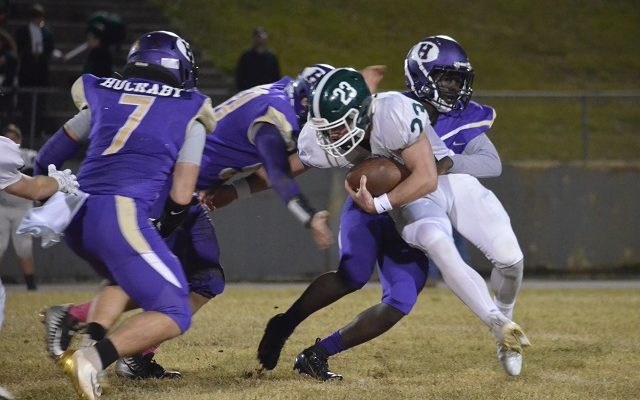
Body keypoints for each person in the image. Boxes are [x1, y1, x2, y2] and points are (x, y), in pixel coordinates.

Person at [38, 63, 338, 382]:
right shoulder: (274, 116)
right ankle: (89, 333)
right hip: (168, 189)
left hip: (179, 190)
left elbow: (275, 166)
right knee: (160, 278)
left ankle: (123, 346)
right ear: (305, 102)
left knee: (199, 279)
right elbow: (276, 173)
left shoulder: (282, 95)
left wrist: (232, 192)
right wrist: (309, 216)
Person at [254, 65, 529, 380]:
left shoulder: (397, 114)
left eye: (338, 127)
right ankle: (284, 324)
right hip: (366, 201)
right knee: (352, 274)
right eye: (326, 128)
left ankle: (316, 355)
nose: (332, 136)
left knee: (400, 300)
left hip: (413, 201)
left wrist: (382, 202)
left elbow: (426, 178)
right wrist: (233, 188)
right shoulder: (320, 137)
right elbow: (279, 171)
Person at [36, 30, 216, 400]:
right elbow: (182, 193)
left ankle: (91, 337)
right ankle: (92, 359)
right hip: (119, 212)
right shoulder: (191, 109)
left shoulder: (104, 92)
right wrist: (165, 224)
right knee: (175, 309)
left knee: (122, 279)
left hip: (75, 213)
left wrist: (46, 201)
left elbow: (46, 158)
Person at [0, 123, 78, 400]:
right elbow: (33, 188)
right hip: (9, 205)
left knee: (22, 250)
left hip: (16, 207)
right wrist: (59, 182)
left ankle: (31, 284)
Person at [0, 124, 39, 290]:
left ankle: (31, 287)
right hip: (2, 206)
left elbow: (40, 171)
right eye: (7, 138)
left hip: (23, 207)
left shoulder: (29, 156)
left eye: (14, 138)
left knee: (24, 248)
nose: (11, 141)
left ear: (20, 140)